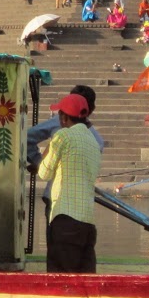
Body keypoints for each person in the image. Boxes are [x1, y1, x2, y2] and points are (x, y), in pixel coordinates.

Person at [37, 92, 103, 273]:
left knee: (60, 280)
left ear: (63, 117)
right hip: (87, 224)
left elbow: (44, 173)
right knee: (84, 283)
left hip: (65, 219)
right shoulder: (94, 142)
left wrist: (48, 149)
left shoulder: (62, 136)